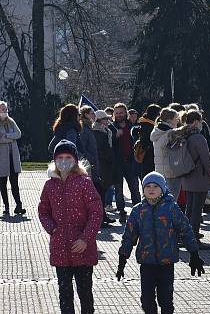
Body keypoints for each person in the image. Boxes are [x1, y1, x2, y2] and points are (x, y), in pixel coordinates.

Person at [117, 171, 205, 314]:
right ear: (143, 189)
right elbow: (129, 237)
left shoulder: (171, 207)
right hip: (147, 264)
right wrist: (122, 260)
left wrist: (194, 253)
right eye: (148, 186)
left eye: (155, 186)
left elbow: (185, 230)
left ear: (163, 189)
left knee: (166, 300)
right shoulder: (138, 211)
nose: (151, 189)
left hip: (166, 263)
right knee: (147, 300)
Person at [38, 140, 102, 314]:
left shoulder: (84, 183)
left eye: (68, 157)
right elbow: (43, 210)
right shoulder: (50, 185)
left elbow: (96, 213)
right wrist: (51, 228)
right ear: (54, 160)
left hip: (82, 249)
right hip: (60, 248)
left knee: (85, 293)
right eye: (60, 157)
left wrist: (85, 239)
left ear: (75, 160)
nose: (64, 161)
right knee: (65, 294)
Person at [181, 110, 210, 249]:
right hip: (199, 177)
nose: (202, 124)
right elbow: (206, 160)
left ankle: (185, 236)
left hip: (187, 176)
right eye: (200, 121)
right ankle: (194, 238)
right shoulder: (199, 138)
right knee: (196, 211)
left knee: (189, 209)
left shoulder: (183, 135)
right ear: (196, 122)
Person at [78, 106, 109, 227]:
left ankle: (101, 218)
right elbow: (82, 147)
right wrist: (90, 158)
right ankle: (98, 220)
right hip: (90, 166)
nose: (94, 115)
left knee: (99, 192)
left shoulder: (89, 128)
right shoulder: (84, 129)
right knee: (97, 193)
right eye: (91, 113)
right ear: (85, 114)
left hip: (95, 165)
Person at [150, 108, 188, 198]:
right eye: (176, 118)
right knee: (172, 198)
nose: (177, 120)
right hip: (171, 170)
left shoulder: (157, 131)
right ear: (169, 120)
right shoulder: (170, 133)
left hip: (160, 170)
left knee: (162, 197)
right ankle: (168, 212)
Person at [112, 102, 141, 219]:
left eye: (121, 113)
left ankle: (138, 211)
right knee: (118, 190)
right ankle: (122, 213)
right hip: (117, 163)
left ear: (126, 113)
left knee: (134, 188)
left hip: (131, 161)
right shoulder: (111, 127)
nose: (119, 115)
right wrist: (114, 137)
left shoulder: (133, 127)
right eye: (117, 113)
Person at [0, 101, 24, 216]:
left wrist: (8, 136)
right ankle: (6, 207)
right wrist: (11, 138)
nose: (4, 111)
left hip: (13, 158)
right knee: (2, 184)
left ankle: (19, 206)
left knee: (15, 184)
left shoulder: (11, 122)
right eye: (2, 109)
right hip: (2, 159)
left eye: (5, 109)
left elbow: (18, 134)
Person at [133, 104, 159, 179]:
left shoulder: (143, 123)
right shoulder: (148, 126)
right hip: (148, 156)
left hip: (147, 157)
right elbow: (145, 142)